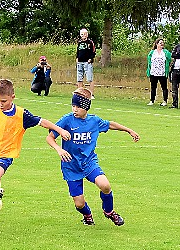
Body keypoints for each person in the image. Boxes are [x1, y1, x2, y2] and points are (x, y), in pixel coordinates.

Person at [0, 79, 71, 226]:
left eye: (4, 101)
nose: (0, 104)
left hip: (6, 155)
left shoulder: (22, 114)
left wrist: (60, 130)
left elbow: (42, 122)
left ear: (13, 97)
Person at [46, 87, 140, 226]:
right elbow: (50, 138)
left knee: (105, 186)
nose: (74, 109)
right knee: (79, 204)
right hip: (71, 166)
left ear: (86, 107)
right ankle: (87, 215)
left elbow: (110, 124)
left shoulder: (94, 121)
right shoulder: (66, 120)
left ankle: (109, 212)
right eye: (73, 106)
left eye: (78, 106)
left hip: (89, 163)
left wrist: (128, 130)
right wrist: (59, 150)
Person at [146, 38, 172, 106]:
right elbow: (149, 62)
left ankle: (165, 101)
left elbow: (169, 59)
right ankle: (152, 100)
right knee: (153, 87)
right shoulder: (152, 52)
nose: (162, 44)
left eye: (163, 43)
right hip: (153, 72)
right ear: (157, 44)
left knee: (164, 87)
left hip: (162, 72)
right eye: (160, 43)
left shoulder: (165, 52)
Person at [76, 28, 96, 98]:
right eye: (81, 34)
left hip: (87, 62)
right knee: (79, 79)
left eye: (84, 34)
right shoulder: (79, 42)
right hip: (80, 62)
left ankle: (91, 94)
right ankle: (80, 93)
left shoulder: (90, 42)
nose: (83, 35)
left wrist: (90, 59)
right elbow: (78, 51)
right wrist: (77, 58)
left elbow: (93, 51)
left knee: (89, 79)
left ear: (87, 34)